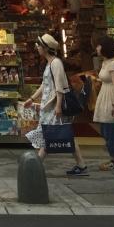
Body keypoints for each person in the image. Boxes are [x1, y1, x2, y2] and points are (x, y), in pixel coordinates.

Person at [22, 33, 87, 175]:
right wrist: (32, 99)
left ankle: (36, 166)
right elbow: (44, 84)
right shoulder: (50, 63)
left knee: (50, 134)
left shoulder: (56, 63)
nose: (37, 47)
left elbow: (59, 86)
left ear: (46, 48)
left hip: (54, 107)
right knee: (62, 133)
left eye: (39, 45)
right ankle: (81, 164)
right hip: (50, 106)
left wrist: (58, 106)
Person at [90, 35, 114, 171]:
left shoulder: (113, 64)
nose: (97, 48)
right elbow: (106, 80)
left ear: (104, 47)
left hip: (111, 98)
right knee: (105, 130)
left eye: (99, 45)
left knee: (108, 130)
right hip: (104, 96)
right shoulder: (105, 63)